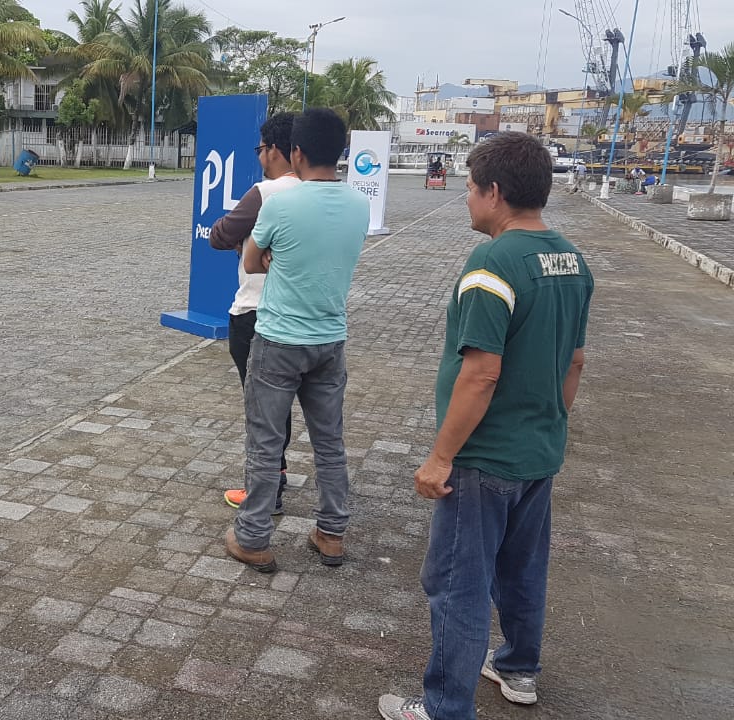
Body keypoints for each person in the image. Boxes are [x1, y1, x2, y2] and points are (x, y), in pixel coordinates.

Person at [378, 132, 594, 720]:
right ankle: (519, 668)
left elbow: (481, 373)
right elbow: (573, 361)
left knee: (457, 583)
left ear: (494, 192)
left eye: (470, 190)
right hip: (538, 450)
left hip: (483, 458)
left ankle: (445, 708)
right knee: (523, 569)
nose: (466, 200)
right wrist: (546, 425)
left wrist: (441, 457)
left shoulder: (492, 262)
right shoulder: (571, 260)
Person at [222, 108, 370, 572]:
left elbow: (250, 259)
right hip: (330, 339)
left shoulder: (280, 204)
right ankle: (331, 532)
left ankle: (253, 537)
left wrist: (272, 255)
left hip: (279, 339)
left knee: (265, 442)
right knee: (330, 441)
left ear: (297, 152)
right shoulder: (359, 204)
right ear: (340, 152)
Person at [207, 112, 301, 515]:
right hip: (298, 317)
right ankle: (277, 475)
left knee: (261, 410)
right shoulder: (319, 192)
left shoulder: (264, 193)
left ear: (275, 150)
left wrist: (244, 242)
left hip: (254, 313)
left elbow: (219, 235)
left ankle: (264, 491)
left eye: (261, 149)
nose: (260, 157)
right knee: (283, 407)